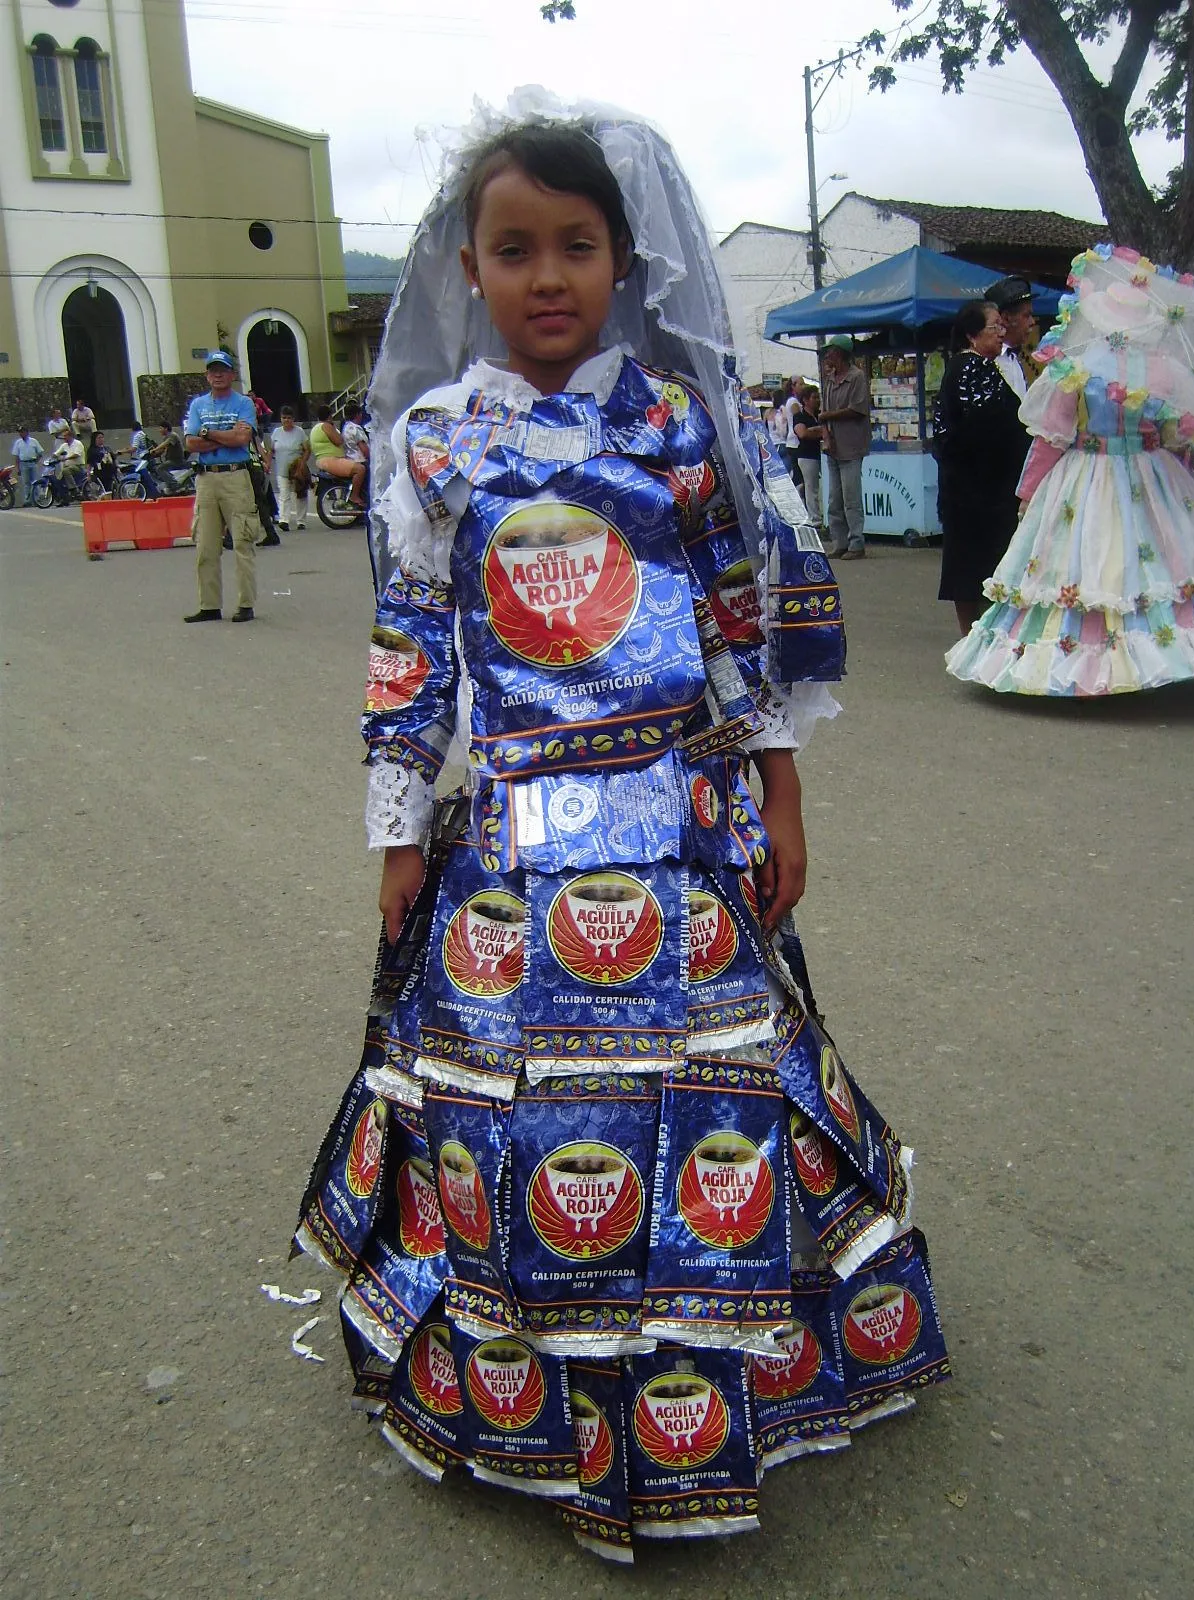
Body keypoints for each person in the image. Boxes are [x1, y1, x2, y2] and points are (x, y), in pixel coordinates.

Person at [291, 101, 947, 1563]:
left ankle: (715, 1392)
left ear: (621, 259)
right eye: (513, 249)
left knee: (714, 1106)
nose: (546, 277)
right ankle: (541, 1393)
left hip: (683, 833)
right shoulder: (439, 444)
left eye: (575, 247)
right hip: (514, 856)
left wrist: (781, 790)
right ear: (469, 267)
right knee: (526, 1124)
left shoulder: (680, 425)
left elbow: (735, 631)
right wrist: (399, 832)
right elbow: (413, 649)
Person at [948, 244, 1194, 694]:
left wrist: (1028, 493)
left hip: (1089, 475)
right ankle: (1151, 651)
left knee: (1091, 559)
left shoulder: (1077, 366)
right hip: (1152, 474)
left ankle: (1090, 657)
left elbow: (1052, 437)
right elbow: (1177, 434)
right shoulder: (1160, 369)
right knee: (1155, 560)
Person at [932, 302, 1029, 637]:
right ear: (973, 335)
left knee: (972, 565)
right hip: (979, 488)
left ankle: (976, 638)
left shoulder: (976, 367)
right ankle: (976, 638)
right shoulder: (971, 369)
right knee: (977, 565)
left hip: (976, 486)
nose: (1001, 334)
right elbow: (985, 426)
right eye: (994, 327)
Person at [182, 351, 260, 622]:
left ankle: (246, 603)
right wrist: (224, 437)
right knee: (205, 544)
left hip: (235, 476)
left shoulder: (244, 403)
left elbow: (242, 438)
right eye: (212, 370)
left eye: (223, 370)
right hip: (206, 478)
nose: (217, 375)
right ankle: (209, 605)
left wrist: (208, 434)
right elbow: (191, 443)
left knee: (242, 540)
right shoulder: (198, 405)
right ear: (207, 375)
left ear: (232, 374)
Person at [818, 335, 871, 559]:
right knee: (834, 500)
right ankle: (839, 542)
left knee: (852, 499)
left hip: (851, 446)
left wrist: (829, 416)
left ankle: (856, 544)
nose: (827, 355)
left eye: (830, 351)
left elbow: (857, 409)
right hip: (834, 447)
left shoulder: (857, 377)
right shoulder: (830, 380)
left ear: (839, 353)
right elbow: (822, 416)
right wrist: (826, 436)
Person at [984, 276, 1037, 399]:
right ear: (1006, 319)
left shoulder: (1013, 358)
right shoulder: (987, 361)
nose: (1032, 322)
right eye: (1026, 316)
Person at [309, 404, 367, 507]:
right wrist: (333, 427)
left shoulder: (316, 427)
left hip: (324, 460)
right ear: (329, 415)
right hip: (330, 460)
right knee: (360, 469)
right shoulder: (326, 426)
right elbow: (339, 441)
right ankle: (354, 496)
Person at [265, 406, 311, 531]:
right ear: (280, 418)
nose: (286, 420)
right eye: (284, 418)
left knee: (300, 494)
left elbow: (307, 449)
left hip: (297, 469)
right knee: (284, 494)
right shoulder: (276, 432)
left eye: (289, 418)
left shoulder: (299, 432)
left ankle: (301, 521)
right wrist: (268, 464)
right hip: (282, 469)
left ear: (293, 419)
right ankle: (284, 520)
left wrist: (302, 462)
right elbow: (271, 450)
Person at [792, 383, 824, 523]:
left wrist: (814, 431)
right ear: (805, 400)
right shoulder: (800, 416)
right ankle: (814, 518)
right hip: (807, 456)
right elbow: (802, 433)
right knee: (811, 488)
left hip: (820, 454)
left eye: (818, 397)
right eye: (814, 397)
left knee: (815, 487)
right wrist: (820, 431)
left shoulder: (820, 415)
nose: (817, 400)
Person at [49, 427, 87, 503]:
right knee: (58, 481)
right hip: (67, 467)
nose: (64, 438)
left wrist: (66, 458)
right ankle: (64, 498)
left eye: (65, 436)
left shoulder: (77, 443)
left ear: (70, 436)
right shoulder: (64, 445)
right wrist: (51, 458)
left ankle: (74, 489)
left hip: (78, 466)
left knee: (65, 470)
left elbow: (76, 454)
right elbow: (57, 453)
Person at [10, 427, 44, 506]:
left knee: (35, 482)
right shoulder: (18, 442)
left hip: (32, 463)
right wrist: (18, 468)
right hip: (23, 464)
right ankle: (27, 500)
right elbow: (17, 457)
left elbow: (40, 452)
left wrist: (36, 461)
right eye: (20, 432)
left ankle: (36, 499)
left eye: (22, 432)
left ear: (26, 432)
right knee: (26, 483)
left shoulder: (33, 441)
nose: (21, 434)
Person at [86, 431, 118, 495]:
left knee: (112, 487)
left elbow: (114, 459)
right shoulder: (92, 450)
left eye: (102, 437)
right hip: (100, 471)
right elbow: (89, 463)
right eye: (99, 438)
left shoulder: (107, 448)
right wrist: (88, 474)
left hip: (110, 470)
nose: (101, 439)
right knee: (105, 488)